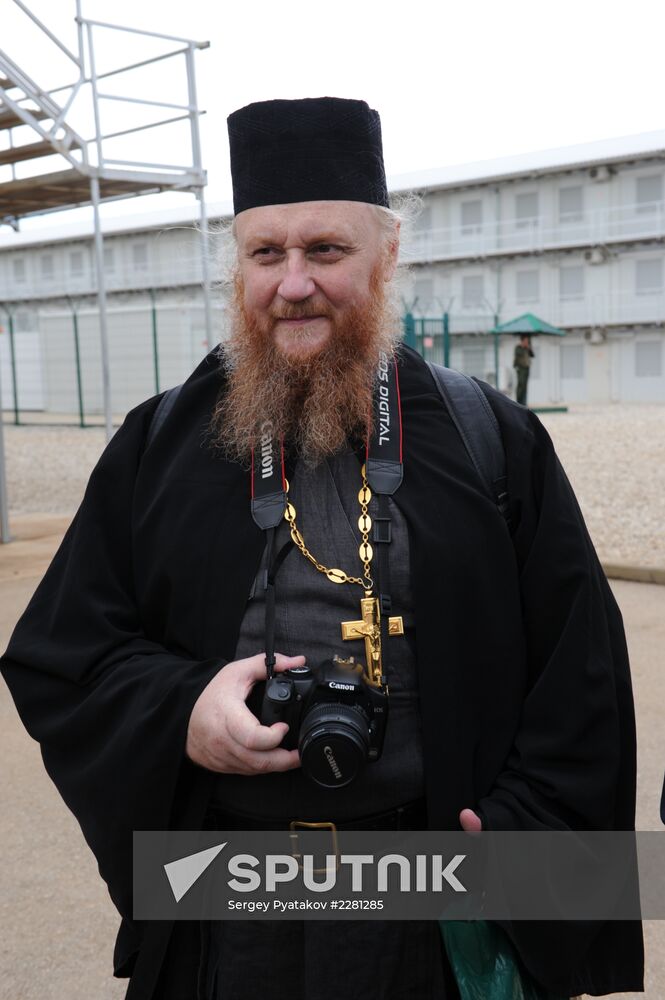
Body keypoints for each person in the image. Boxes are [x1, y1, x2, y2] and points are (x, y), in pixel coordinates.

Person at [0, 97, 643, 1000]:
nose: (292, 282)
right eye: (267, 253)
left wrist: (514, 851)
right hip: (227, 903)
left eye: (326, 251)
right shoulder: (160, 444)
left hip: (436, 910)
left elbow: (581, 684)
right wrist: (183, 709)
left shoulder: (489, 440)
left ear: (387, 258)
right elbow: (62, 658)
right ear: (239, 269)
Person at [513, 333, 535, 405]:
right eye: (526, 341)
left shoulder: (527, 348)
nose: (527, 342)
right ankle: (518, 401)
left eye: (527, 341)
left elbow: (532, 355)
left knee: (525, 385)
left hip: (526, 368)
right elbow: (517, 354)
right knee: (521, 384)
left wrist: (529, 348)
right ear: (522, 341)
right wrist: (522, 347)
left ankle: (523, 402)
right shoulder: (518, 347)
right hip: (520, 368)